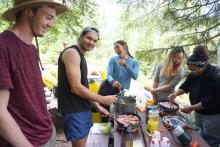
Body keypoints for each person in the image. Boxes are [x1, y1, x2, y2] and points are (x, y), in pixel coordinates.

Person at [0, 0, 67, 147]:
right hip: (26, 141)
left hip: (47, 132)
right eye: (48, 17)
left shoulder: (31, 48)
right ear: (28, 11)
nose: (51, 24)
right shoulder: (3, 46)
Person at [58, 27, 117, 147]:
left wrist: (97, 106)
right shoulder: (72, 53)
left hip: (82, 109)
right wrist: (103, 99)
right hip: (74, 110)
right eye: (89, 38)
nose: (91, 42)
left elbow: (83, 87)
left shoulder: (80, 56)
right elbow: (76, 87)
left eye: (95, 41)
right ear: (81, 36)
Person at [168, 45, 220, 146]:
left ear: (203, 66)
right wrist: (175, 93)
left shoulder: (215, 78)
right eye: (190, 70)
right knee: (199, 135)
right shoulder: (194, 74)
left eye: (193, 70)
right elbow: (185, 86)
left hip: (212, 116)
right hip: (198, 112)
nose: (192, 72)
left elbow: (209, 101)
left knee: (211, 140)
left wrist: (191, 108)